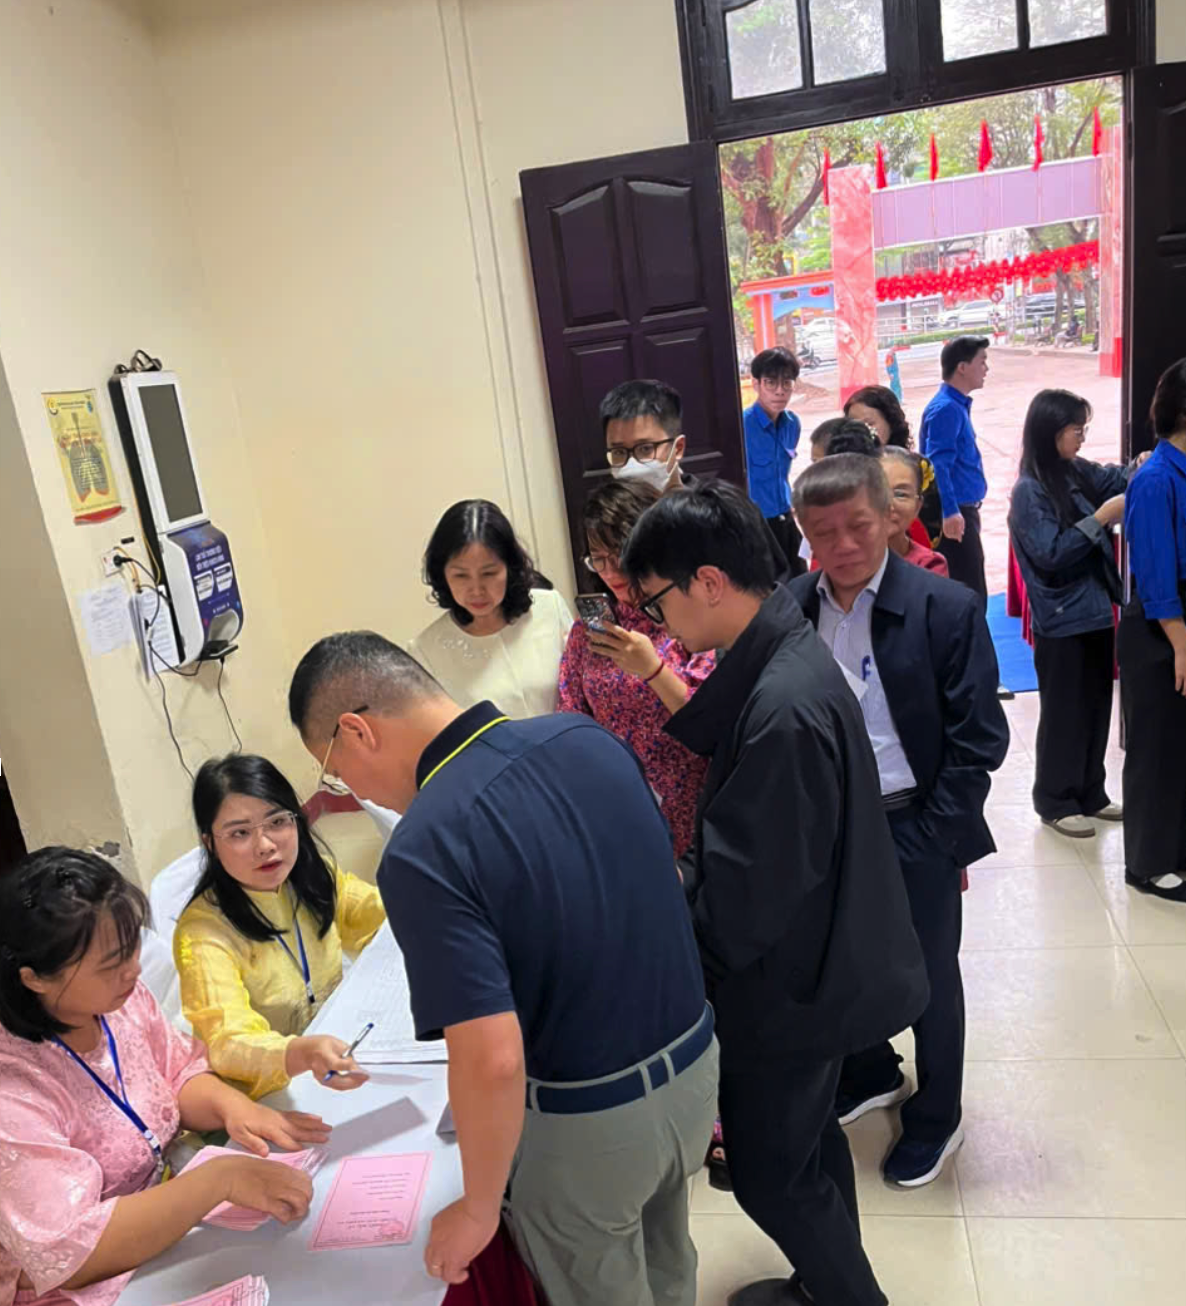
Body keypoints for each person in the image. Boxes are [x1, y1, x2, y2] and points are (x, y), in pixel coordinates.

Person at [288, 635, 718, 1305]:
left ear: (357, 731)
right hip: (694, 1072)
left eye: (336, 772)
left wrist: (478, 1208)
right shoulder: (583, 738)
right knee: (668, 1263)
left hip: (592, 1124)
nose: (355, 790)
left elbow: (491, 1058)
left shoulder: (425, 845)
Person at [620, 482, 928, 1306]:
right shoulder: (781, 647)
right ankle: (824, 1283)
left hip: (791, 986)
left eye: (657, 601)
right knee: (808, 1146)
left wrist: (666, 950)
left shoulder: (784, 704)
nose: (658, 624)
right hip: (819, 961)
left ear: (708, 582)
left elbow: (749, 896)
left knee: (767, 1172)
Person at [790, 456, 1007, 1189]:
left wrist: (935, 834)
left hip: (914, 819)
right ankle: (872, 1070)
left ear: (889, 515)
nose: (844, 544)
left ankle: (938, 1113)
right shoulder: (792, 608)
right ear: (804, 533)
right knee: (842, 963)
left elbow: (979, 740)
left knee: (927, 977)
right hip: (826, 828)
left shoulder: (944, 607)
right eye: (824, 532)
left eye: (858, 524)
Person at [0, 848, 325, 1306]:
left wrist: (233, 1107)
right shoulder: (13, 1090)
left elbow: (176, 1072)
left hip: (168, 1234)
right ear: (35, 979)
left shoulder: (117, 1002)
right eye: (111, 964)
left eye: (132, 947)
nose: (133, 970)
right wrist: (216, 1181)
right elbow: (69, 1251)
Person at [173, 753, 384, 1099]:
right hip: (266, 1095)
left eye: (277, 822)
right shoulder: (202, 932)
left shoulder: (313, 877)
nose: (266, 846)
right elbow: (228, 1042)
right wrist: (301, 1053)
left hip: (337, 1060)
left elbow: (379, 914)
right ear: (210, 843)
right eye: (240, 833)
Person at [558, 479, 713, 857]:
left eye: (620, 554)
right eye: (598, 558)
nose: (611, 572)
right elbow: (570, 714)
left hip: (694, 810)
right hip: (618, 806)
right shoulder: (590, 630)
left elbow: (709, 722)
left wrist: (652, 670)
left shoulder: (689, 615)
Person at [1008, 390, 1130, 838]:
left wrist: (1144, 465)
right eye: (1076, 429)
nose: (1082, 437)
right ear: (1051, 431)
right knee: (1065, 712)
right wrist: (1100, 518)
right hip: (1061, 619)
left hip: (1096, 610)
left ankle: (1091, 792)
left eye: (1083, 428)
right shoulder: (1029, 490)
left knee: (1097, 707)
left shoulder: (1074, 470)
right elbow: (1051, 553)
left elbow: (1113, 477)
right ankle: (1056, 800)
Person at [600, 379, 793, 580]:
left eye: (645, 449)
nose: (632, 463)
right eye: (619, 452)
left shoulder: (726, 513)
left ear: (678, 448)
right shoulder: (609, 523)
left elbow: (774, 582)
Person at [1118, 358, 1186, 902]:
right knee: (1156, 750)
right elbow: (1158, 574)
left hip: (1179, 625)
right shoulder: (1156, 478)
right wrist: (1180, 642)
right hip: (1161, 629)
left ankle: (1177, 850)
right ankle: (1147, 864)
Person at [409, 500, 572, 718]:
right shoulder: (426, 651)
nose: (477, 590)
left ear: (509, 567)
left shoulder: (550, 608)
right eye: (461, 575)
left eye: (489, 573)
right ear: (442, 575)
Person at [919, 336, 990, 605]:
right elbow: (938, 464)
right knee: (970, 591)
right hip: (955, 514)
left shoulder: (955, 405)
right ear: (962, 367)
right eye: (981, 361)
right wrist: (950, 512)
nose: (986, 368)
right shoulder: (946, 409)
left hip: (963, 510)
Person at [846, 384, 943, 546]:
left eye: (869, 424)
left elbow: (931, 528)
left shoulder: (919, 467)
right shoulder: (844, 472)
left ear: (890, 423)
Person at [743, 347, 807, 576]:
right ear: (756, 384)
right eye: (771, 383)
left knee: (802, 578)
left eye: (786, 383)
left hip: (785, 517)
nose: (780, 391)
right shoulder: (742, 426)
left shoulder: (792, 423)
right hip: (756, 524)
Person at [880, 447, 949, 576]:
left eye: (901, 494)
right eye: (879, 491)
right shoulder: (843, 558)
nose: (889, 504)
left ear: (917, 507)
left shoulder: (930, 565)